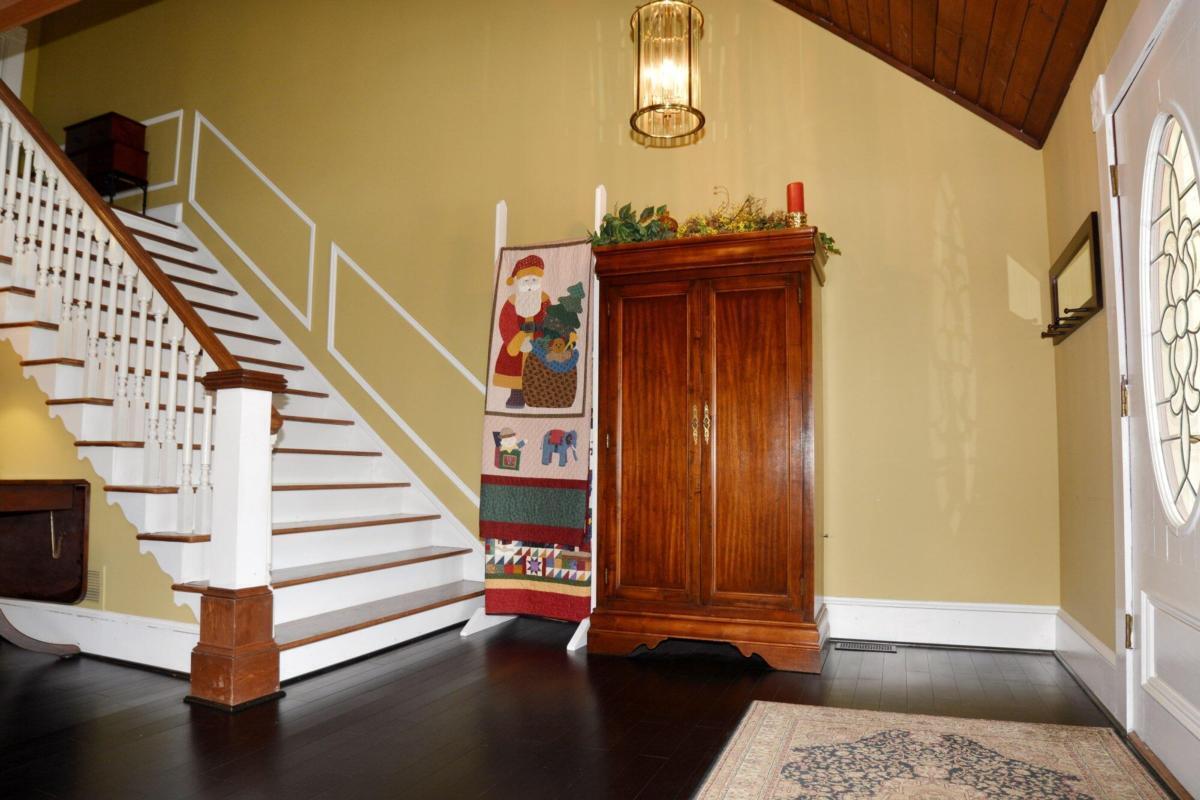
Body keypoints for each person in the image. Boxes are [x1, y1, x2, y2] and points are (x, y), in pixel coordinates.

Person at [493, 254, 550, 409]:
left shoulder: (544, 299)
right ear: (519, 282)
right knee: (514, 368)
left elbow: (550, 318)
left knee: (538, 368)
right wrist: (517, 340)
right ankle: (516, 395)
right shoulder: (512, 302)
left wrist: (546, 337)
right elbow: (505, 322)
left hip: (538, 340)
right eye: (526, 281)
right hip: (517, 343)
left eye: (534, 280)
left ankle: (536, 394)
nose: (531, 285)